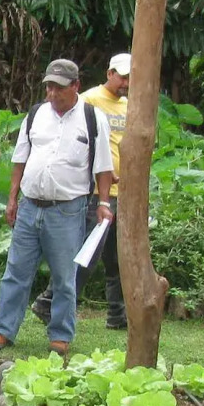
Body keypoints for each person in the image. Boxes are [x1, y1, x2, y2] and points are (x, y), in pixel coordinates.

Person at [0, 60, 115, 356]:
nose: (52, 93)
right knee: (16, 270)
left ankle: (60, 334)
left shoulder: (93, 118)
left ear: (76, 86)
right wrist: (13, 198)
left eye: (59, 87)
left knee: (64, 276)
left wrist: (104, 203)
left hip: (67, 209)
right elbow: (20, 159)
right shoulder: (36, 114)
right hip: (30, 205)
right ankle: (3, 330)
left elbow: (103, 166)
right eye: (49, 86)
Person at [32, 52, 130, 331]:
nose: (125, 83)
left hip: (124, 193)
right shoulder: (89, 100)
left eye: (129, 78)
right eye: (121, 76)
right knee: (87, 254)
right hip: (97, 193)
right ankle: (49, 301)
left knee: (117, 258)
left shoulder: (129, 106)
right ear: (109, 73)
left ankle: (117, 315)